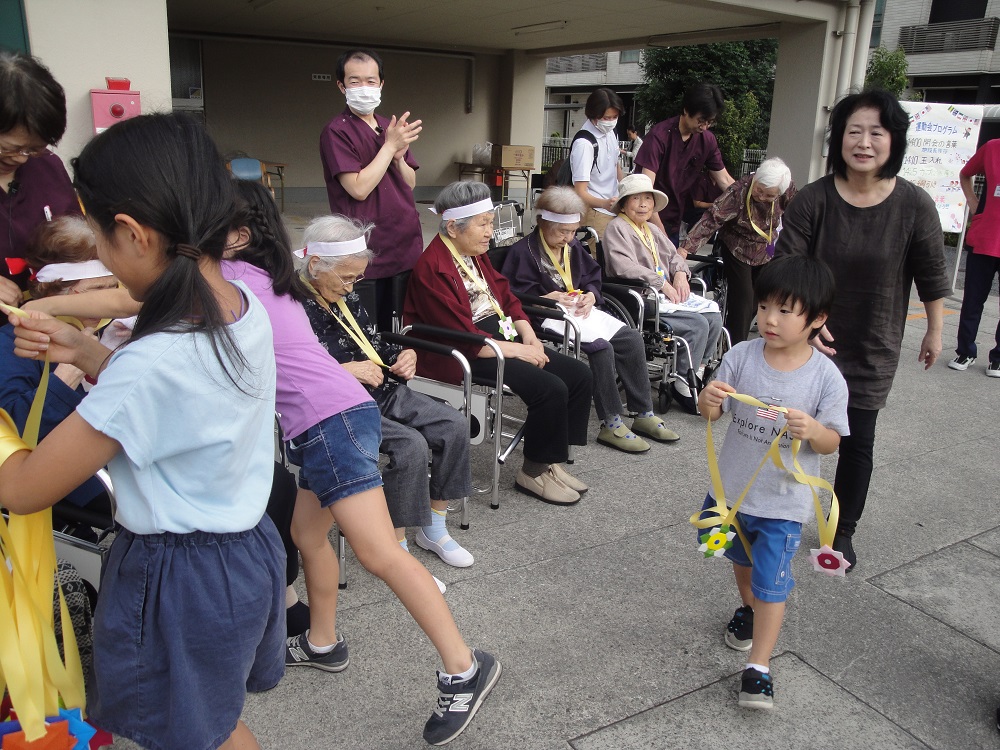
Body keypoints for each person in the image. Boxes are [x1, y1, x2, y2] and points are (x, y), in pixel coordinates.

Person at [1, 112, 285, 750]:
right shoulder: (241, 307)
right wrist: (86, 350)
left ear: (132, 234)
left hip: (178, 581)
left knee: (183, 732)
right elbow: (181, 403)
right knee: (210, 723)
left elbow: (21, 488)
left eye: (100, 240)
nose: (102, 256)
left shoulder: (150, 364)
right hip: (244, 556)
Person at [224, 181, 500, 747]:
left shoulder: (234, 276)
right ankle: (323, 642)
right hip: (326, 419)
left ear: (237, 233)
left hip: (331, 421)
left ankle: (464, 668)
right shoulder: (273, 276)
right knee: (307, 534)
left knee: (378, 554)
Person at [775, 89, 950, 570]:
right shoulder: (813, 199)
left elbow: (932, 273)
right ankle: (775, 515)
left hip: (874, 342)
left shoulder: (914, 204)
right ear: (839, 139)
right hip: (810, 344)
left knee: (856, 443)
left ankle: (842, 531)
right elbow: (787, 266)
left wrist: (935, 331)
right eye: (854, 131)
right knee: (791, 432)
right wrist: (805, 325)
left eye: (877, 132)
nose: (864, 142)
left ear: (894, 140)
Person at [697, 254, 849, 710]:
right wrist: (709, 398)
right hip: (731, 495)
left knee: (772, 584)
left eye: (785, 310)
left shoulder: (825, 377)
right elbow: (713, 413)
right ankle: (748, 609)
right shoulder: (741, 356)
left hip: (782, 505)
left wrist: (814, 430)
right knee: (738, 560)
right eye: (764, 306)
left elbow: (831, 442)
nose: (769, 319)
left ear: (817, 319)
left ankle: (759, 667)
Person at [297, 214, 475, 571]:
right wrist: (346, 370)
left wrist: (403, 355)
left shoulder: (343, 293)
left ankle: (434, 527)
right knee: (410, 446)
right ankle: (397, 547)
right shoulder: (290, 305)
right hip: (339, 405)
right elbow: (290, 369)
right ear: (315, 264)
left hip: (380, 386)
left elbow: (372, 341)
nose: (352, 286)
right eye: (347, 277)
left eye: (357, 278)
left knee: (454, 425)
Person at [403, 180, 593, 506]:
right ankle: (532, 472)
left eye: (490, 222)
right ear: (453, 227)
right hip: (462, 350)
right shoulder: (432, 268)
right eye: (483, 224)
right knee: (550, 388)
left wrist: (528, 334)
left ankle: (550, 458)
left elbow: (506, 297)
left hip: (500, 336)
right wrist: (523, 350)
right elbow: (466, 339)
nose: (490, 232)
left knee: (578, 375)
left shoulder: (475, 254)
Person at [501, 186, 680, 452]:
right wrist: (546, 297)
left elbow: (593, 278)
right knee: (600, 347)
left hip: (580, 309)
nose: (568, 238)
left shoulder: (573, 246)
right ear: (543, 223)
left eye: (573, 231)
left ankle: (643, 412)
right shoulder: (522, 252)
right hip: (545, 315)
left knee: (631, 339)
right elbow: (511, 296)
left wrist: (592, 296)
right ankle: (611, 422)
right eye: (562, 232)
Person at [0, 216, 117, 512]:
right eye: (96, 290)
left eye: (113, 287)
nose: (109, 301)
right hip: (74, 484)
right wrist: (68, 373)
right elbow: (11, 432)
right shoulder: (13, 342)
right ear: (54, 293)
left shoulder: (116, 327)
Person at [320, 48, 423, 331]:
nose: (364, 88)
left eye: (370, 81)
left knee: (401, 328)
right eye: (354, 81)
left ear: (381, 84)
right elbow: (358, 189)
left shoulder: (389, 127)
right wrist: (389, 147)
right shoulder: (337, 131)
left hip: (403, 242)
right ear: (341, 86)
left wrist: (399, 157)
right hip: (365, 248)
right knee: (369, 331)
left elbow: (410, 183)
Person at [603, 173, 724, 414]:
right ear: (624, 204)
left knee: (714, 317)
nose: (643, 204)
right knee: (697, 324)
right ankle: (682, 382)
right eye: (636, 198)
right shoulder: (617, 228)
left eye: (647, 198)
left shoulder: (651, 229)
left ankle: (696, 371)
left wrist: (679, 274)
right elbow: (623, 267)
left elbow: (674, 256)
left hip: (663, 293)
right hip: (640, 295)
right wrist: (661, 282)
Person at [681, 157, 797, 343]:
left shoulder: (787, 189)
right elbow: (711, 219)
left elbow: (798, 215)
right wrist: (686, 248)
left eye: (769, 196)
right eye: (759, 190)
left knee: (764, 297)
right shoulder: (738, 192)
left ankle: (738, 338)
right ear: (756, 178)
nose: (762, 197)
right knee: (743, 302)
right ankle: (735, 348)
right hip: (737, 246)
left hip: (766, 248)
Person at [0, 51, 81, 306]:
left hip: (48, 314)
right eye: (9, 148)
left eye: (34, 149)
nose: (21, 159)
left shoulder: (47, 166)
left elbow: (74, 234)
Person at [634, 83, 735, 246]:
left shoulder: (707, 140)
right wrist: (660, 233)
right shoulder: (659, 136)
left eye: (710, 122)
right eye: (701, 121)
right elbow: (645, 188)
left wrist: (747, 203)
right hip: (644, 220)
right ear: (686, 110)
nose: (705, 127)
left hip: (674, 222)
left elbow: (725, 180)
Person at [949, 137, 1000, 377]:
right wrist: (973, 201)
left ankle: (998, 358)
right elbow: (965, 174)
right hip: (985, 237)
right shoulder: (993, 148)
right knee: (972, 300)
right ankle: (965, 351)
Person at [571, 87, 625, 247]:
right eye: (606, 118)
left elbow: (616, 166)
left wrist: (625, 191)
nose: (611, 122)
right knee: (604, 259)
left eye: (615, 117)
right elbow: (580, 192)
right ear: (593, 115)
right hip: (596, 211)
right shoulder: (584, 144)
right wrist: (604, 204)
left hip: (614, 206)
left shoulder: (611, 132)